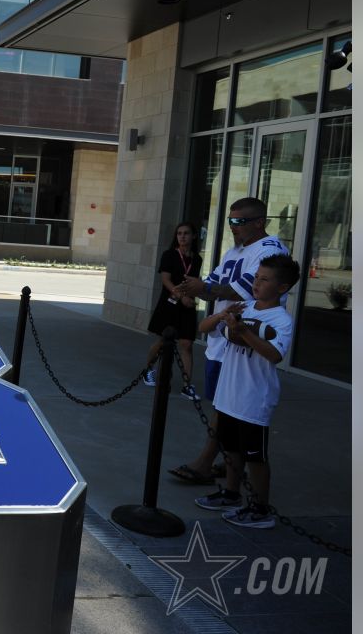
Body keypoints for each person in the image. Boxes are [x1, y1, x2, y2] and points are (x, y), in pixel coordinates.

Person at [167, 197, 289, 485]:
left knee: (229, 411)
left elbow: (241, 291)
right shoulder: (234, 251)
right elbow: (212, 288)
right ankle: (227, 468)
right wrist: (194, 289)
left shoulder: (269, 250)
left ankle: (207, 462)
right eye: (230, 221)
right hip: (221, 341)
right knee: (223, 407)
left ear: (260, 222)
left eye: (239, 221)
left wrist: (204, 288)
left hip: (243, 342)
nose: (233, 227)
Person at [193, 254, 300, 529]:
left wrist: (243, 331)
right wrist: (221, 315)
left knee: (255, 457)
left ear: (282, 287)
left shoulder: (281, 320)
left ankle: (260, 508)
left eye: (264, 279)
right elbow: (204, 328)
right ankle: (231, 493)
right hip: (229, 394)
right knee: (231, 449)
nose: (256, 283)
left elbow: (274, 355)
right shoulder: (245, 307)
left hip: (254, 399)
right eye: (256, 277)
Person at [141, 222, 202, 398]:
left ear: (194, 236)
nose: (182, 237)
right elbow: (166, 280)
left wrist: (191, 297)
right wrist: (181, 296)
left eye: (186, 233)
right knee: (163, 341)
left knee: (187, 344)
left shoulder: (197, 259)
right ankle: (148, 370)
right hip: (170, 304)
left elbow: (194, 281)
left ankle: (186, 385)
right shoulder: (169, 255)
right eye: (179, 234)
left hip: (187, 305)